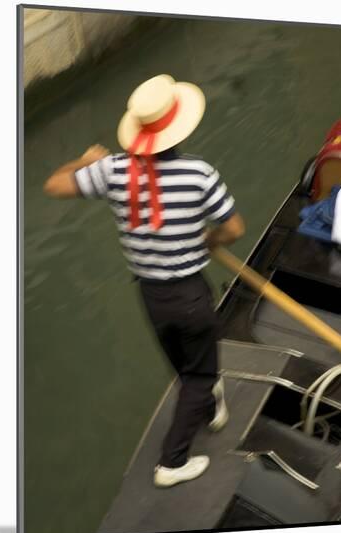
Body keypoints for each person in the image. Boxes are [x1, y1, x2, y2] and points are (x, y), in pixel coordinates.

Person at [44, 74, 245, 488]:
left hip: (153, 299)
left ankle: (209, 408)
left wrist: (84, 161)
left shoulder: (112, 170)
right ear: (179, 128)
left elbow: (54, 185)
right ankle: (172, 462)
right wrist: (210, 238)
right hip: (190, 295)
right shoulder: (199, 173)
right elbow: (235, 229)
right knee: (201, 374)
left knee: (186, 369)